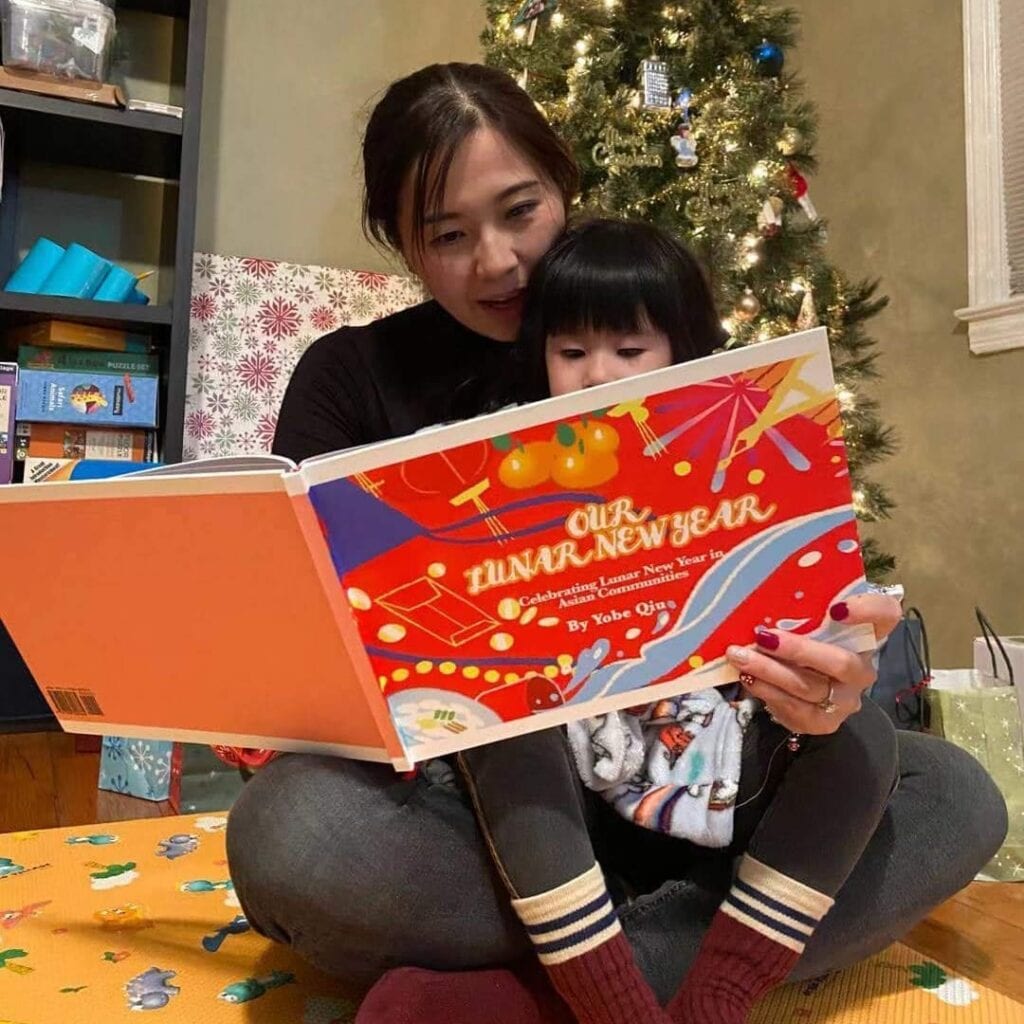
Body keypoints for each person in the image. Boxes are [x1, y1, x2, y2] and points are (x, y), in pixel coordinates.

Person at [226, 62, 1008, 1021]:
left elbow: (785, 605)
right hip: (484, 816)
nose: (500, 261)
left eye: (521, 210)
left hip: (705, 778)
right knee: (290, 838)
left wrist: (827, 676)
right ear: (402, 244)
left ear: (564, 188)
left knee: (951, 796)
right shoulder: (351, 377)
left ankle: (553, 990)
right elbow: (300, 642)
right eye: (448, 236)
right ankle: (667, 956)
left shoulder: (688, 364)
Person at [372, 217, 897, 1024]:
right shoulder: (500, 461)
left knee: (905, 766)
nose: (595, 377)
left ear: (683, 352)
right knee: (483, 728)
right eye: (571, 354)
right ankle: (612, 994)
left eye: (630, 350)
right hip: (554, 814)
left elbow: (808, 642)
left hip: (720, 772)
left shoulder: (737, 450)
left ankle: (682, 996)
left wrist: (830, 660)